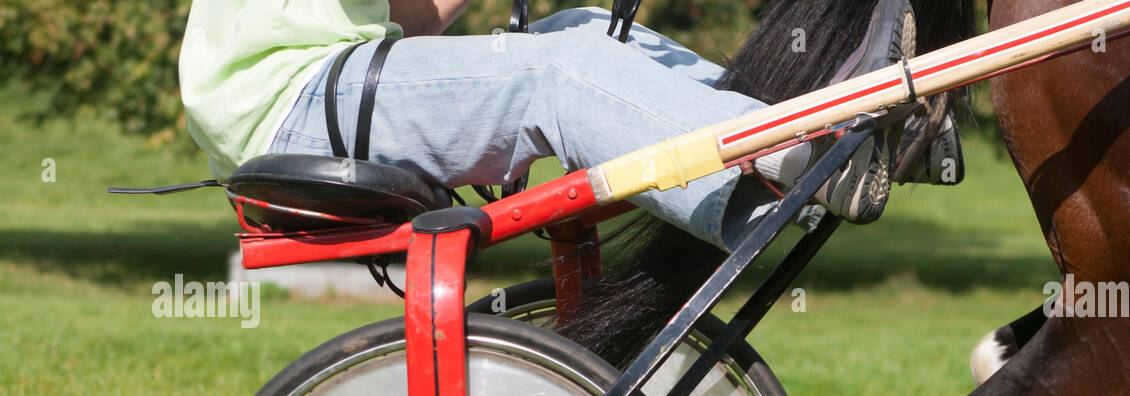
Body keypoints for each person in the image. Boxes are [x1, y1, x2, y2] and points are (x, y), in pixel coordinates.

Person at [179, 1, 926, 250]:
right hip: (291, 103)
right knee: (556, 71)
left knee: (590, 31)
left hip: (330, 88)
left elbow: (404, 20)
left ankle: (807, 126)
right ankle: (798, 154)